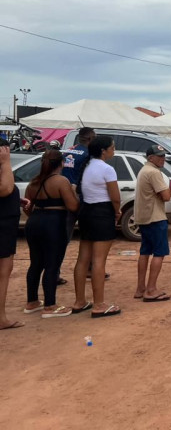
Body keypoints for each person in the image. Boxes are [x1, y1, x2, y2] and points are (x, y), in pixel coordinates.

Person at [22, 149, 79, 318]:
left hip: (34, 223)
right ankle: (50, 305)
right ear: (61, 163)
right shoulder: (61, 181)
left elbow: (27, 208)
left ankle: (31, 302)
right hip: (54, 223)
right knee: (52, 265)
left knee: (36, 263)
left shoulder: (33, 183)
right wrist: (74, 191)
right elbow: (73, 206)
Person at [73, 135, 121, 318]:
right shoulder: (107, 169)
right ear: (103, 150)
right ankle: (99, 304)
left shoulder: (87, 166)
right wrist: (117, 211)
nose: (113, 151)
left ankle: (79, 301)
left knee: (83, 259)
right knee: (99, 260)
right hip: (102, 212)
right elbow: (115, 197)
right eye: (112, 147)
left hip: (86, 212)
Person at [133, 145, 171, 302]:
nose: (163, 158)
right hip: (155, 217)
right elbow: (166, 196)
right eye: (159, 156)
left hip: (144, 217)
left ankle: (141, 288)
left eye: (163, 156)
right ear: (151, 158)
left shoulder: (144, 170)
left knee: (145, 252)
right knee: (159, 252)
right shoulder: (154, 172)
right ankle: (151, 289)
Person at [59, 126, 96, 284]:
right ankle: (89, 268)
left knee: (64, 237)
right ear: (89, 139)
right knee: (89, 235)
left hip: (64, 195)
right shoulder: (88, 155)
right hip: (80, 197)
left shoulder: (68, 151)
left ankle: (55, 272)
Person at [1, 139, 29, 330]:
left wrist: (16, 200)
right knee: (3, 271)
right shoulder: (4, 166)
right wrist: (6, 162)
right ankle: (1, 319)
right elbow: (4, 189)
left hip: (6, 224)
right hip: (2, 226)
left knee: (5, 269)